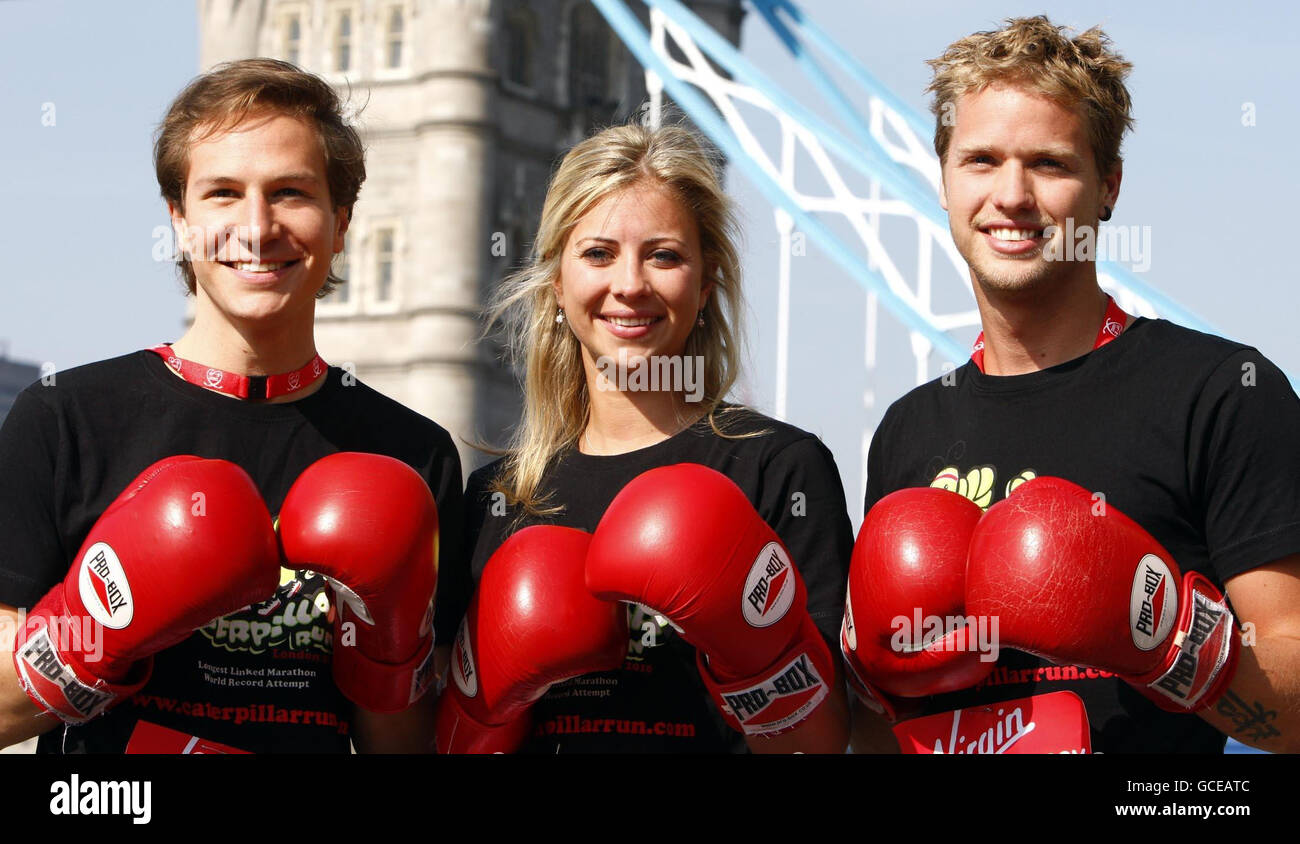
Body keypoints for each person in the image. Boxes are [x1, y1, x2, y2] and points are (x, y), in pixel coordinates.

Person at [845, 16, 1300, 753]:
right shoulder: (909, 429)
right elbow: (877, 736)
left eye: (1050, 164)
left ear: (1109, 185)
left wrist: (1169, 644)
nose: (1012, 195)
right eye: (982, 161)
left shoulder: (1221, 394)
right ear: (945, 179)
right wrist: (866, 680)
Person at [0, 59, 466, 754]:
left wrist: (387, 658)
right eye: (222, 193)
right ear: (180, 222)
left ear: (340, 223)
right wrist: (98, 632)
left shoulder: (412, 455)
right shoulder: (66, 419)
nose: (256, 226)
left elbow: (407, 747)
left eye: (290, 193)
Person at [440, 122, 852, 753]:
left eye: (663, 255)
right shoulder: (496, 498)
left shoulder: (780, 469)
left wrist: (759, 659)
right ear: (557, 282)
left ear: (706, 284)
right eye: (598, 254)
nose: (629, 284)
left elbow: (821, 745)